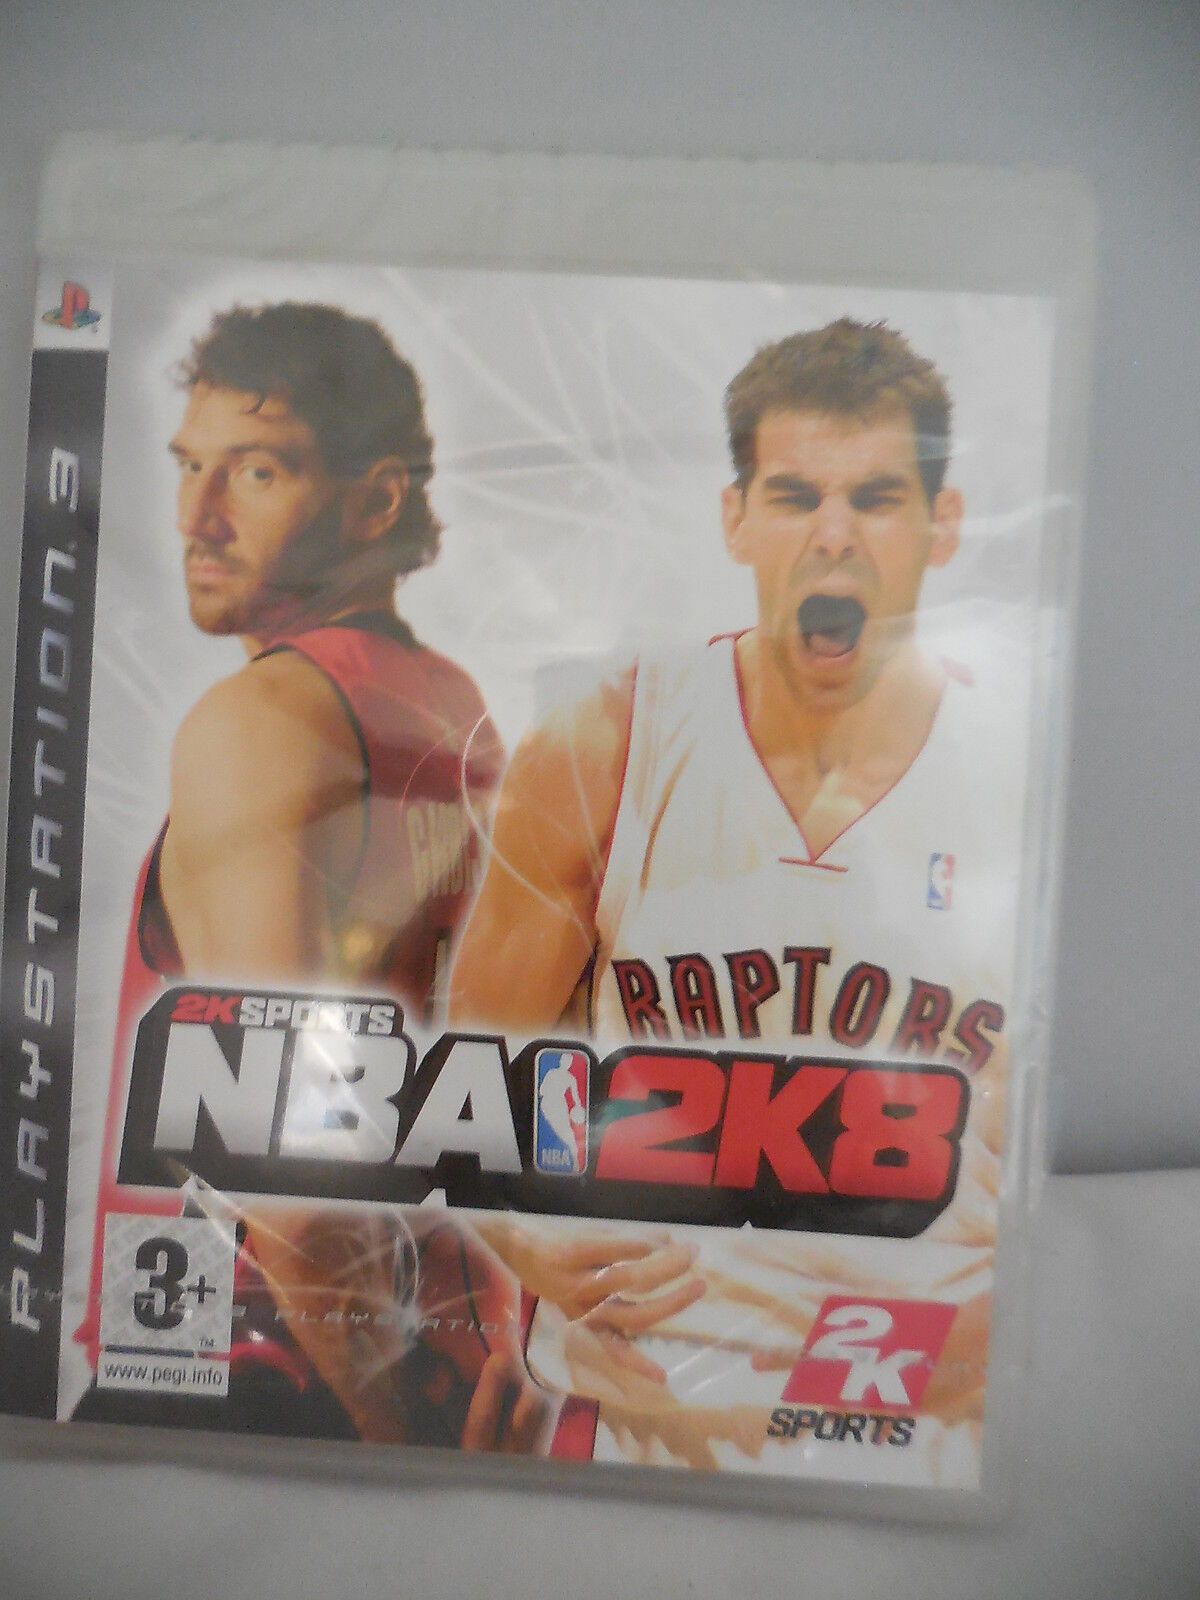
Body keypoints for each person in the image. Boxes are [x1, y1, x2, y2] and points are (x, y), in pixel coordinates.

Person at [79, 301, 694, 1451]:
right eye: (191, 465)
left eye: (257, 471)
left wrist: (402, 1438)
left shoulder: (264, 719)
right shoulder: (449, 705)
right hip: (414, 1361)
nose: (197, 516)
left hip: (259, 1375)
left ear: (375, 502)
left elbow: (277, 1144)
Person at [449, 319, 1018, 1471]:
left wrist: (881, 1368)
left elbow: (1065, 1194)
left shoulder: (1028, 777)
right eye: (797, 495)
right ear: (736, 517)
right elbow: (470, 1084)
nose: (834, 535)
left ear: (944, 523)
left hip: (920, 1439)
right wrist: (527, 1237)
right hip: (632, 1435)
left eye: (879, 497)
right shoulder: (609, 745)